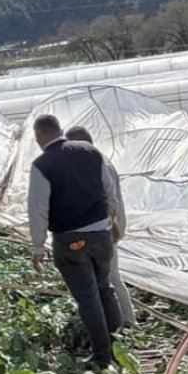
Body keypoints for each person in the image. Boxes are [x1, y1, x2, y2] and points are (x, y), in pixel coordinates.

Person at [28, 114, 122, 369]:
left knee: (87, 296)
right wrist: (108, 220)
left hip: (70, 239)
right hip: (101, 234)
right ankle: (121, 344)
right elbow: (109, 190)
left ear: (39, 137)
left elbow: (38, 209)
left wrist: (38, 246)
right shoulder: (91, 151)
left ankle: (103, 356)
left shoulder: (42, 165)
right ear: (60, 130)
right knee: (104, 287)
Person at [65, 126, 135, 329]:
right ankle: (112, 318)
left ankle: (128, 321)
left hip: (106, 227)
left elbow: (108, 202)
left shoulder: (99, 165)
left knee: (110, 275)